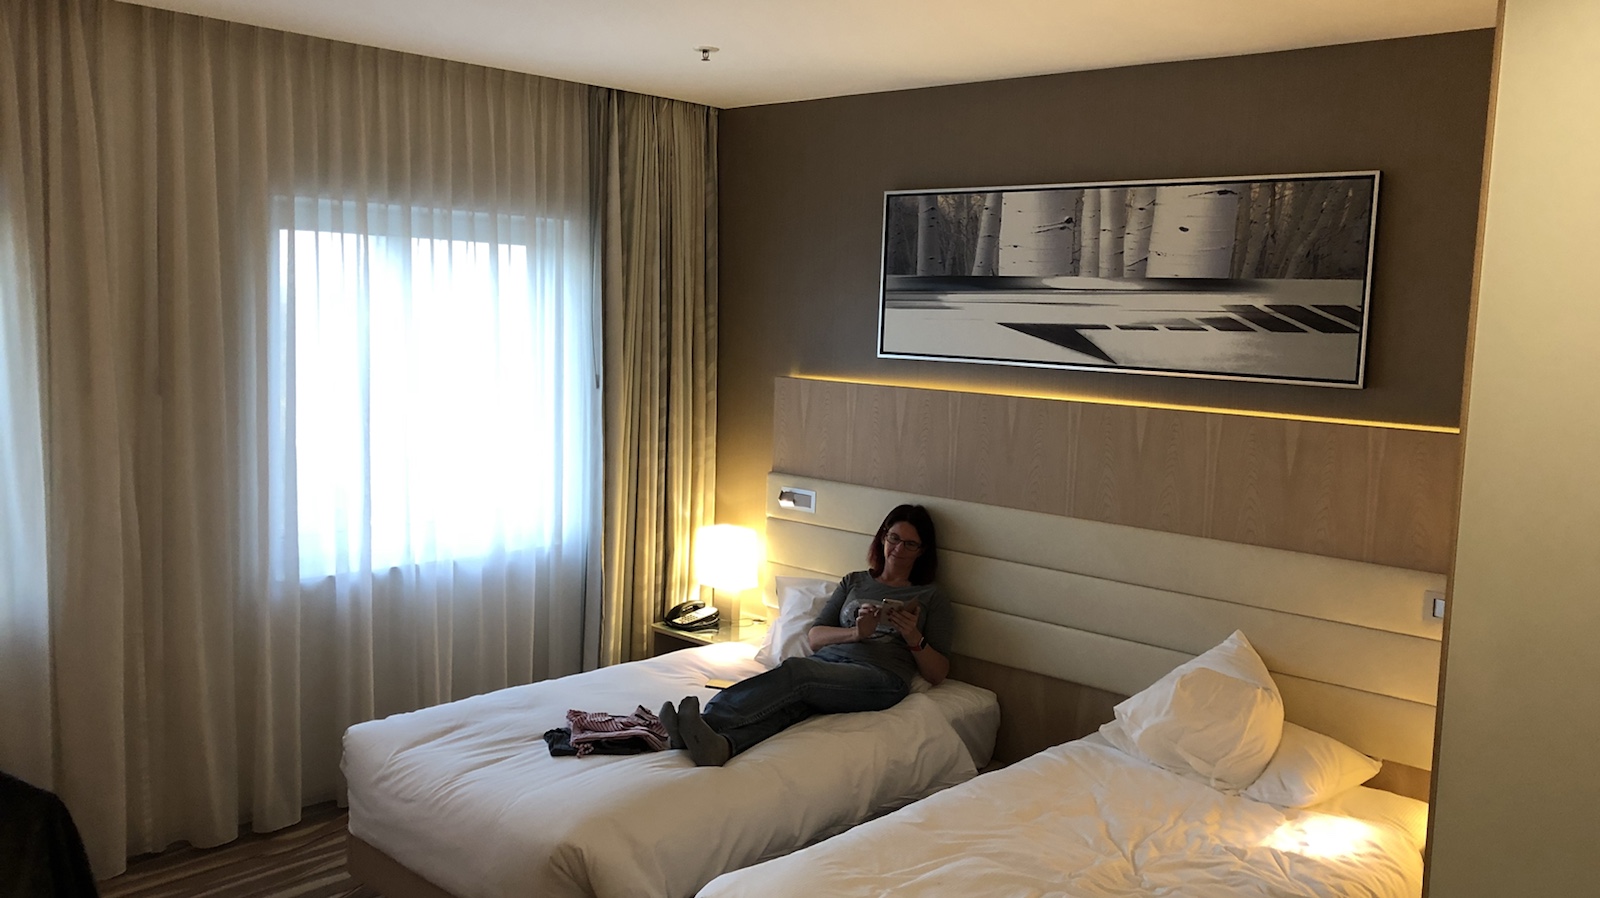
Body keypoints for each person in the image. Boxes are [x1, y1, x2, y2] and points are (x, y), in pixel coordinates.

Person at [661, 504, 952, 767]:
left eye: (910, 544)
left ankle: (704, 723)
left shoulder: (930, 596)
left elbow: (938, 674)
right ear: (883, 537)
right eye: (894, 538)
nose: (898, 549)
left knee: (798, 673)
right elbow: (815, 637)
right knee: (793, 705)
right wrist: (856, 632)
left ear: (922, 551)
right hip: (829, 665)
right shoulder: (855, 581)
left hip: (881, 678)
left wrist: (913, 637)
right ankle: (721, 746)